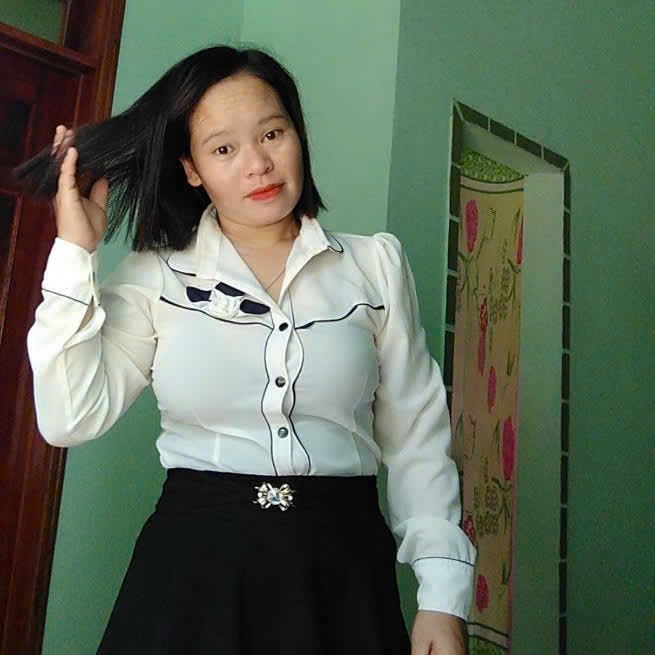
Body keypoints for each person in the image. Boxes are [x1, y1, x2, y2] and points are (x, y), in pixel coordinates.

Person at [20, 45, 476, 654]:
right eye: (223, 149)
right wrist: (75, 252)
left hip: (343, 580)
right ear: (191, 169)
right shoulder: (157, 277)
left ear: (298, 135)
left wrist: (443, 596)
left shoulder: (374, 267)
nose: (257, 164)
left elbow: (418, 439)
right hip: (192, 580)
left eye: (272, 134)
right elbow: (68, 418)